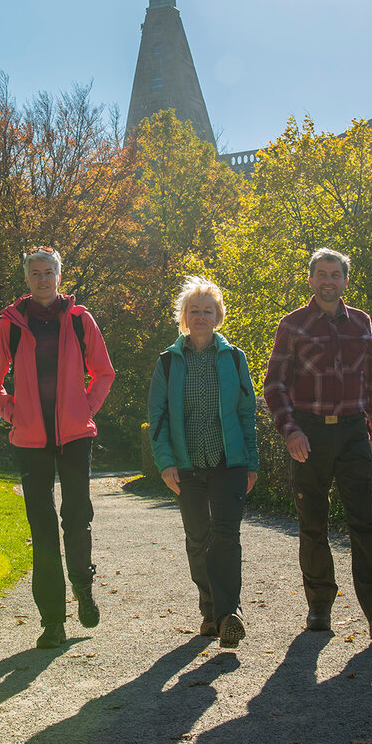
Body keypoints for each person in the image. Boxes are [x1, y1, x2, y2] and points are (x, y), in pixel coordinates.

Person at [262, 248, 372, 640]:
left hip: (352, 432)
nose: (328, 281)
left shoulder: (361, 322)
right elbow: (274, 384)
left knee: (365, 521)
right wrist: (290, 430)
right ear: (310, 280)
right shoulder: (292, 325)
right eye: (321, 274)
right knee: (313, 525)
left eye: (335, 274)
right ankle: (319, 607)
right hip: (309, 433)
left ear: (345, 280)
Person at [0, 247, 116, 649]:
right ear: (27, 278)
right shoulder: (10, 325)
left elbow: (104, 372)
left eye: (49, 272)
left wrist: (86, 406)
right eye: (35, 273)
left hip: (75, 437)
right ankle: (52, 621)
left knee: (77, 518)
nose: (42, 279)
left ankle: (82, 587)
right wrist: (13, 413)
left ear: (60, 276)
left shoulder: (79, 320)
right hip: (30, 441)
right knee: (42, 530)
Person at [147, 277, 259, 649]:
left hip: (229, 463)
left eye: (207, 310)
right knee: (198, 538)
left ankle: (230, 614)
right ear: (183, 316)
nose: (200, 316)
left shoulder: (234, 358)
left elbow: (247, 413)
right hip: (187, 466)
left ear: (218, 316)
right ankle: (210, 609)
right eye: (193, 310)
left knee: (226, 536)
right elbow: (158, 418)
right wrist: (165, 463)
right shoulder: (167, 362)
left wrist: (252, 462)